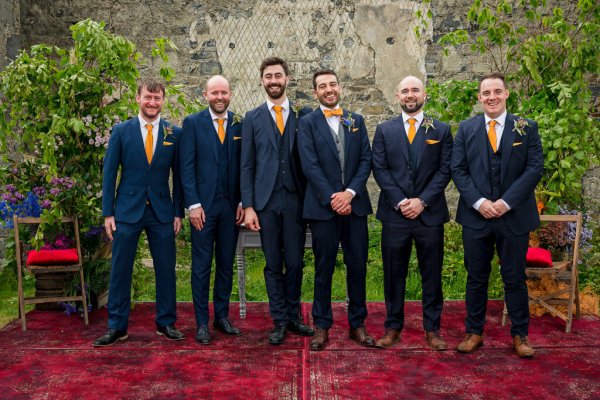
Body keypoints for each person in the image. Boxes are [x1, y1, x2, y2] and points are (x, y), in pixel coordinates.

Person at [451, 73, 543, 358]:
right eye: (486, 93)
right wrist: (479, 202)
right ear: (479, 97)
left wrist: (505, 203)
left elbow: (534, 168)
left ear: (506, 94)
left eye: (497, 91)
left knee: (514, 278)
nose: (491, 97)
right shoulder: (466, 129)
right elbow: (458, 169)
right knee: (476, 277)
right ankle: (474, 332)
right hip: (476, 217)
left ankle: (520, 336)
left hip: (512, 216)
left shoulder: (526, 127)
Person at [93, 79, 185, 347]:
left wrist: (177, 211)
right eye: (148, 97)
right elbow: (109, 174)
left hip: (161, 212)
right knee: (120, 269)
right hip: (126, 212)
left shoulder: (173, 133)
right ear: (138, 98)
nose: (152, 103)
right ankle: (117, 327)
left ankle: (166, 322)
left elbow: (178, 177)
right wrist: (108, 213)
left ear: (163, 101)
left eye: (157, 98)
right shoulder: (121, 131)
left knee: (166, 269)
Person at [371, 76, 453, 350]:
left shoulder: (441, 130)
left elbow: (445, 170)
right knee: (394, 274)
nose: (410, 95)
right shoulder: (384, 130)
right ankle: (393, 327)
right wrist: (401, 201)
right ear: (397, 96)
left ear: (424, 95)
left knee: (432, 273)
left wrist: (423, 201)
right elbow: (380, 169)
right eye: (405, 90)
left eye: (414, 90)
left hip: (429, 216)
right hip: (395, 215)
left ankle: (433, 329)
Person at [298, 69, 374, 351]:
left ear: (339, 87)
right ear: (315, 92)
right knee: (323, 268)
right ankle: (322, 325)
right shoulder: (307, 123)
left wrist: (350, 194)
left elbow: (366, 159)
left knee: (357, 266)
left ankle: (357, 324)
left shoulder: (357, 120)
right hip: (323, 209)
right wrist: (333, 197)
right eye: (322, 86)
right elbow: (309, 164)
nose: (329, 89)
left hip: (355, 206)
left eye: (332, 84)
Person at [240, 57, 314, 345]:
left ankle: (294, 316)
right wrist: (248, 206)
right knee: (273, 263)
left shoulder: (302, 115)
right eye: (268, 76)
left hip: (296, 199)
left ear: (287, 79)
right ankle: (279, 319)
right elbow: (246, 165)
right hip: (266, 202)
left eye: (278, 75)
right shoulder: (252, 118)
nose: (274, 80)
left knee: (295, 262)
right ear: (262, 81)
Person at [179, 75, 244, 345]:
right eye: (214, 93)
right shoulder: (193, 124)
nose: (220, 97)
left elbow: (244, 166)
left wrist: (243, 201)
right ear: (205, 94)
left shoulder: (239, 124)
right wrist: (192, 204)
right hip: (202, 210)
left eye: (224, 93)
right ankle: (201, 323)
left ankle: (222, 317)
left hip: (231, 208)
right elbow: (186, 167)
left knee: (226, 265)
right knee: (202, 266)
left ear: (230, 94)